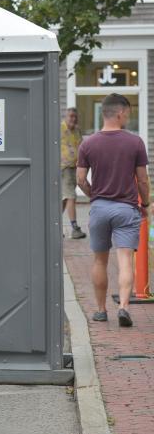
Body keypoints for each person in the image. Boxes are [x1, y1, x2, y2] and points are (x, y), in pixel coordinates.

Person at [76, 93, 151, 327]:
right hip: (127, 208)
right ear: (120, 113)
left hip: (100, 208)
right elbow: (143, 181)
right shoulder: (135, 142)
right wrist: (146, 204)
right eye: (127, 113)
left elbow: (80, 179)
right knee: (126, 259)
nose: (128, 117)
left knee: (99, 261)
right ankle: (123, 307)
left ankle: (100, 310)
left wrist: (95, 196)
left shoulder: (88, 143)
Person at [61, 108, 86, 238]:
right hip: (62, 168)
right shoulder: (58, 129)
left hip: (73, 168)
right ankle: (75, 229)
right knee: (71, 196)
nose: (73, 119)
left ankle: (53, 226)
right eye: (71, 116)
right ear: (65, 116)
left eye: (75, 116)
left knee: (64, 199)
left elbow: (81, 147)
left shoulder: (77, 131)